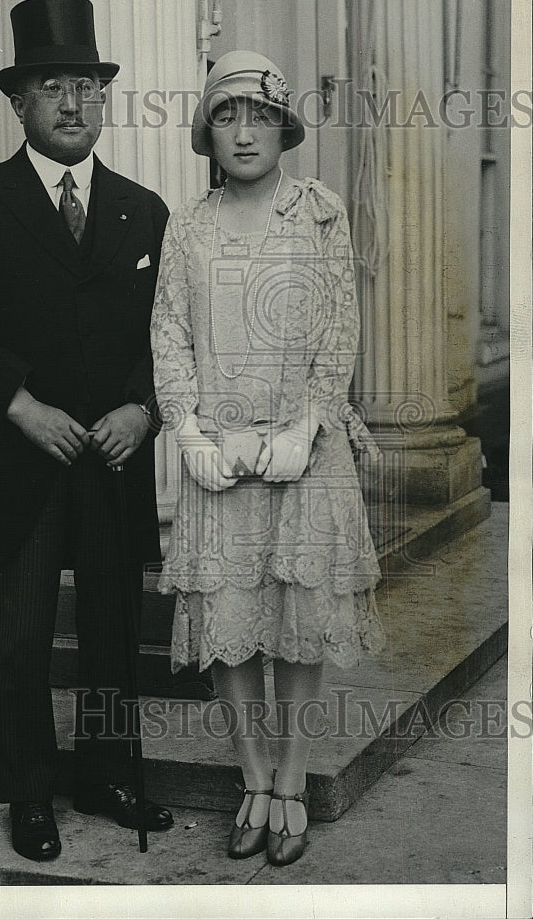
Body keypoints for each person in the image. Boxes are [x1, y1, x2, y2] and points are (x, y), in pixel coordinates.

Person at [0, 0, 173, 863]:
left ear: (102, 100)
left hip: (112, 457)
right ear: (18, 104)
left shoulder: (143, 212)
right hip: (18, 455)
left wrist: (142, 409)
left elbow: (170, 332)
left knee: (113, 628)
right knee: (22, 634)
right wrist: (22, 407)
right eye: (49, 87)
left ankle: (106, 776)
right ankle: (29, 792)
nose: (71, 103)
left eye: (84, 85)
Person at [150, 51, 385, 866]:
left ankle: (291, 782)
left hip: (302, 454)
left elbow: (338, 328)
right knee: (229, 626)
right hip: (220, 450)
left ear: (282, 126)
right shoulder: (186, 225)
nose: (243, 132)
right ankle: (250, 779)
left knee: (296, 627)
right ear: (206, 130)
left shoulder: (317, 213)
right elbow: (169, 333)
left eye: (257, 115)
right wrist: (187, 431)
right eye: (226, 115)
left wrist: (306, 426)